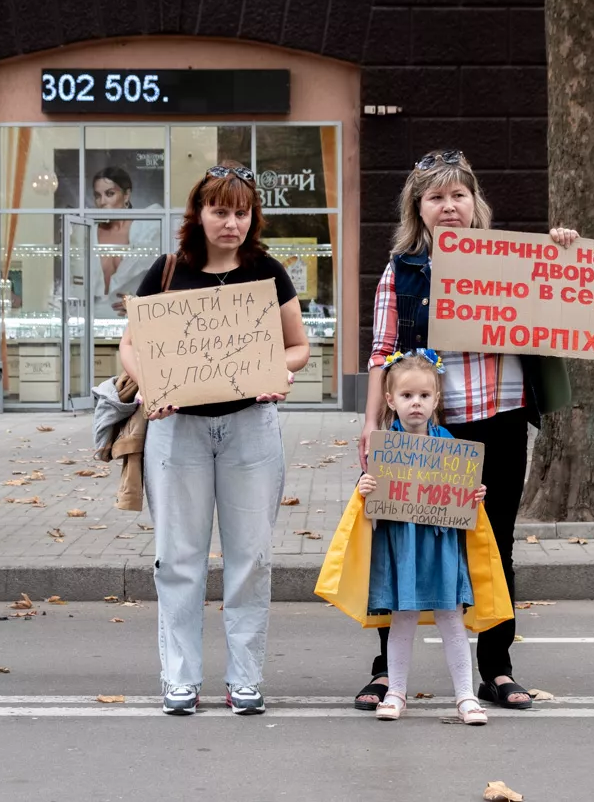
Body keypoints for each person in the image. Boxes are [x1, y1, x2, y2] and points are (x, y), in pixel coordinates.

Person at [354, 148, 575, 711]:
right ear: (418, 208)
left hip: (499, 420)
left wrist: (565, 254)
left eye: (458, 195)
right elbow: (382, 350)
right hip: (427, 428)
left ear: (475, 202)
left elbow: (567, 302)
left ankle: (495, 669)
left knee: (492, 543)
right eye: (436, 197)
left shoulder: (517, 261)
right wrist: (371, 420)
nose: (448, 206)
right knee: (400, 539)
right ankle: (387, 671)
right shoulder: (401, 268)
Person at [117, 163, 309, 716]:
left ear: (254, 217)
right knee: (177, 557)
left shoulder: (268, 272)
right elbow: (131, 343)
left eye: (241, 212)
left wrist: (279, 373)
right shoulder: (169, 270)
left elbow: (298, 346)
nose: (231, 223)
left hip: (251, 427)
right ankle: (180, 679)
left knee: (252, 557)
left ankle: (245, 679)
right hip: (177, 430)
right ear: (198, 214)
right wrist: (154, 384)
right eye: (220, 210)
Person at [355, 349, 490, 725]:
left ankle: (465, 695)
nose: (416, 404)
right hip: (402, 545)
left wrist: (474, 494)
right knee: (403, 619)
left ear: (437, 399)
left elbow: (463, 494)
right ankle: (395, 691)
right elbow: (368, 501)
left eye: (424, 396)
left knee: (451, 618)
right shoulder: (384, 444)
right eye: (407, 396)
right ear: (390, 400)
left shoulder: (450, 443)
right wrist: (364, 486)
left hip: (440, 542)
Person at [91, 167, 161, 319]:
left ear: (126, 195)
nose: (102, 202)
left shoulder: (148, 229)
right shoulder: (88, 234)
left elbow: (167, 278)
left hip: (138, 319)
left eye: (110, 194)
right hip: (94, 321)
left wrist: (143, 302)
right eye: (97, 196)